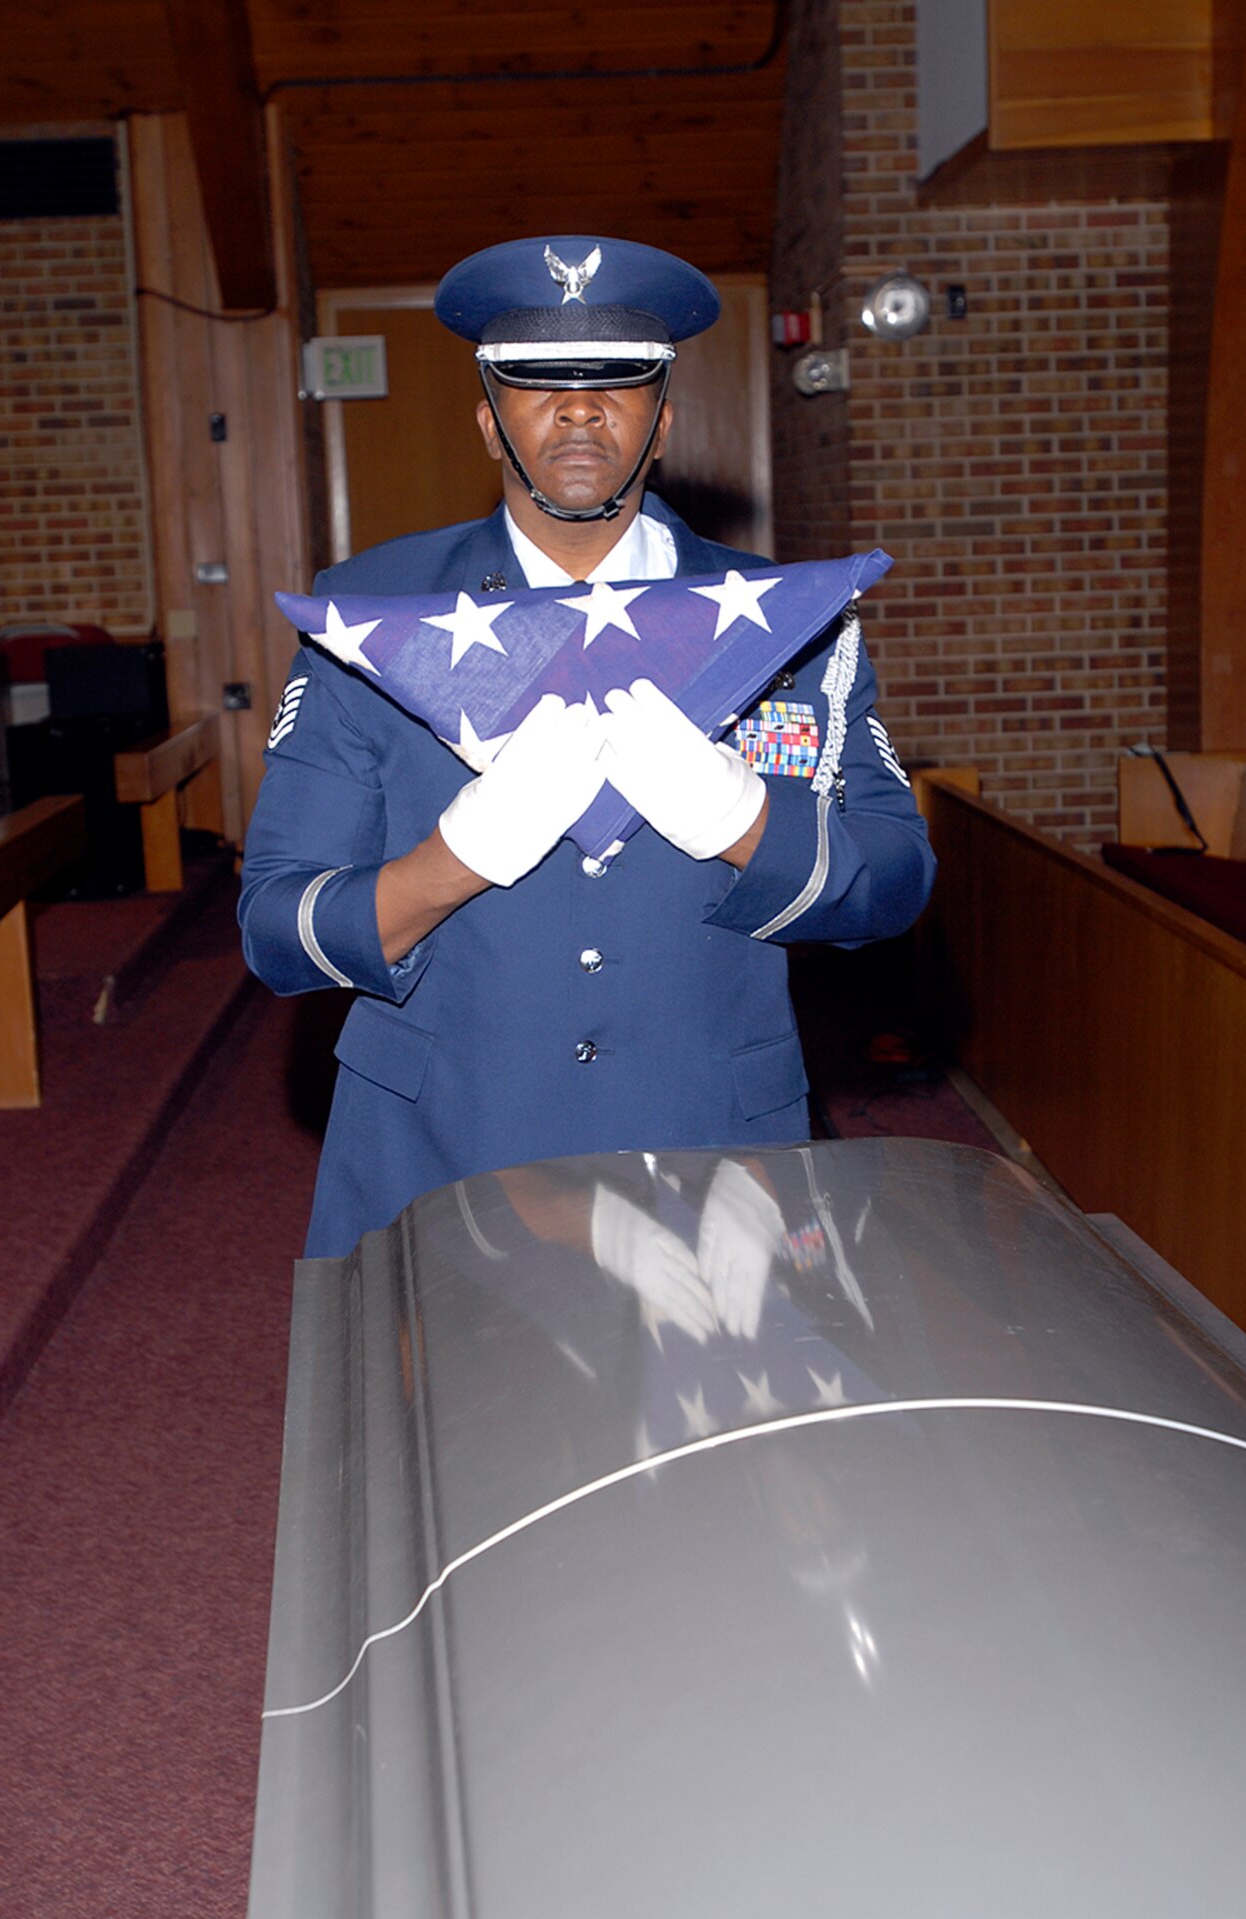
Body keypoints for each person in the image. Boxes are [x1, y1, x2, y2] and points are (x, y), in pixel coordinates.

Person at [238, 234, 935, 1259]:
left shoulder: (784, 623)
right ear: (489, 421)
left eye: (617, 382)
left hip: (712, 1142)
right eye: (538, 385)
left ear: (663, 422)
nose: (578, 411)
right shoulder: (371, 615)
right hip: (444, 1139)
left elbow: (894, 887)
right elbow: (275, 930)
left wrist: (746, 822)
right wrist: (452, 862)